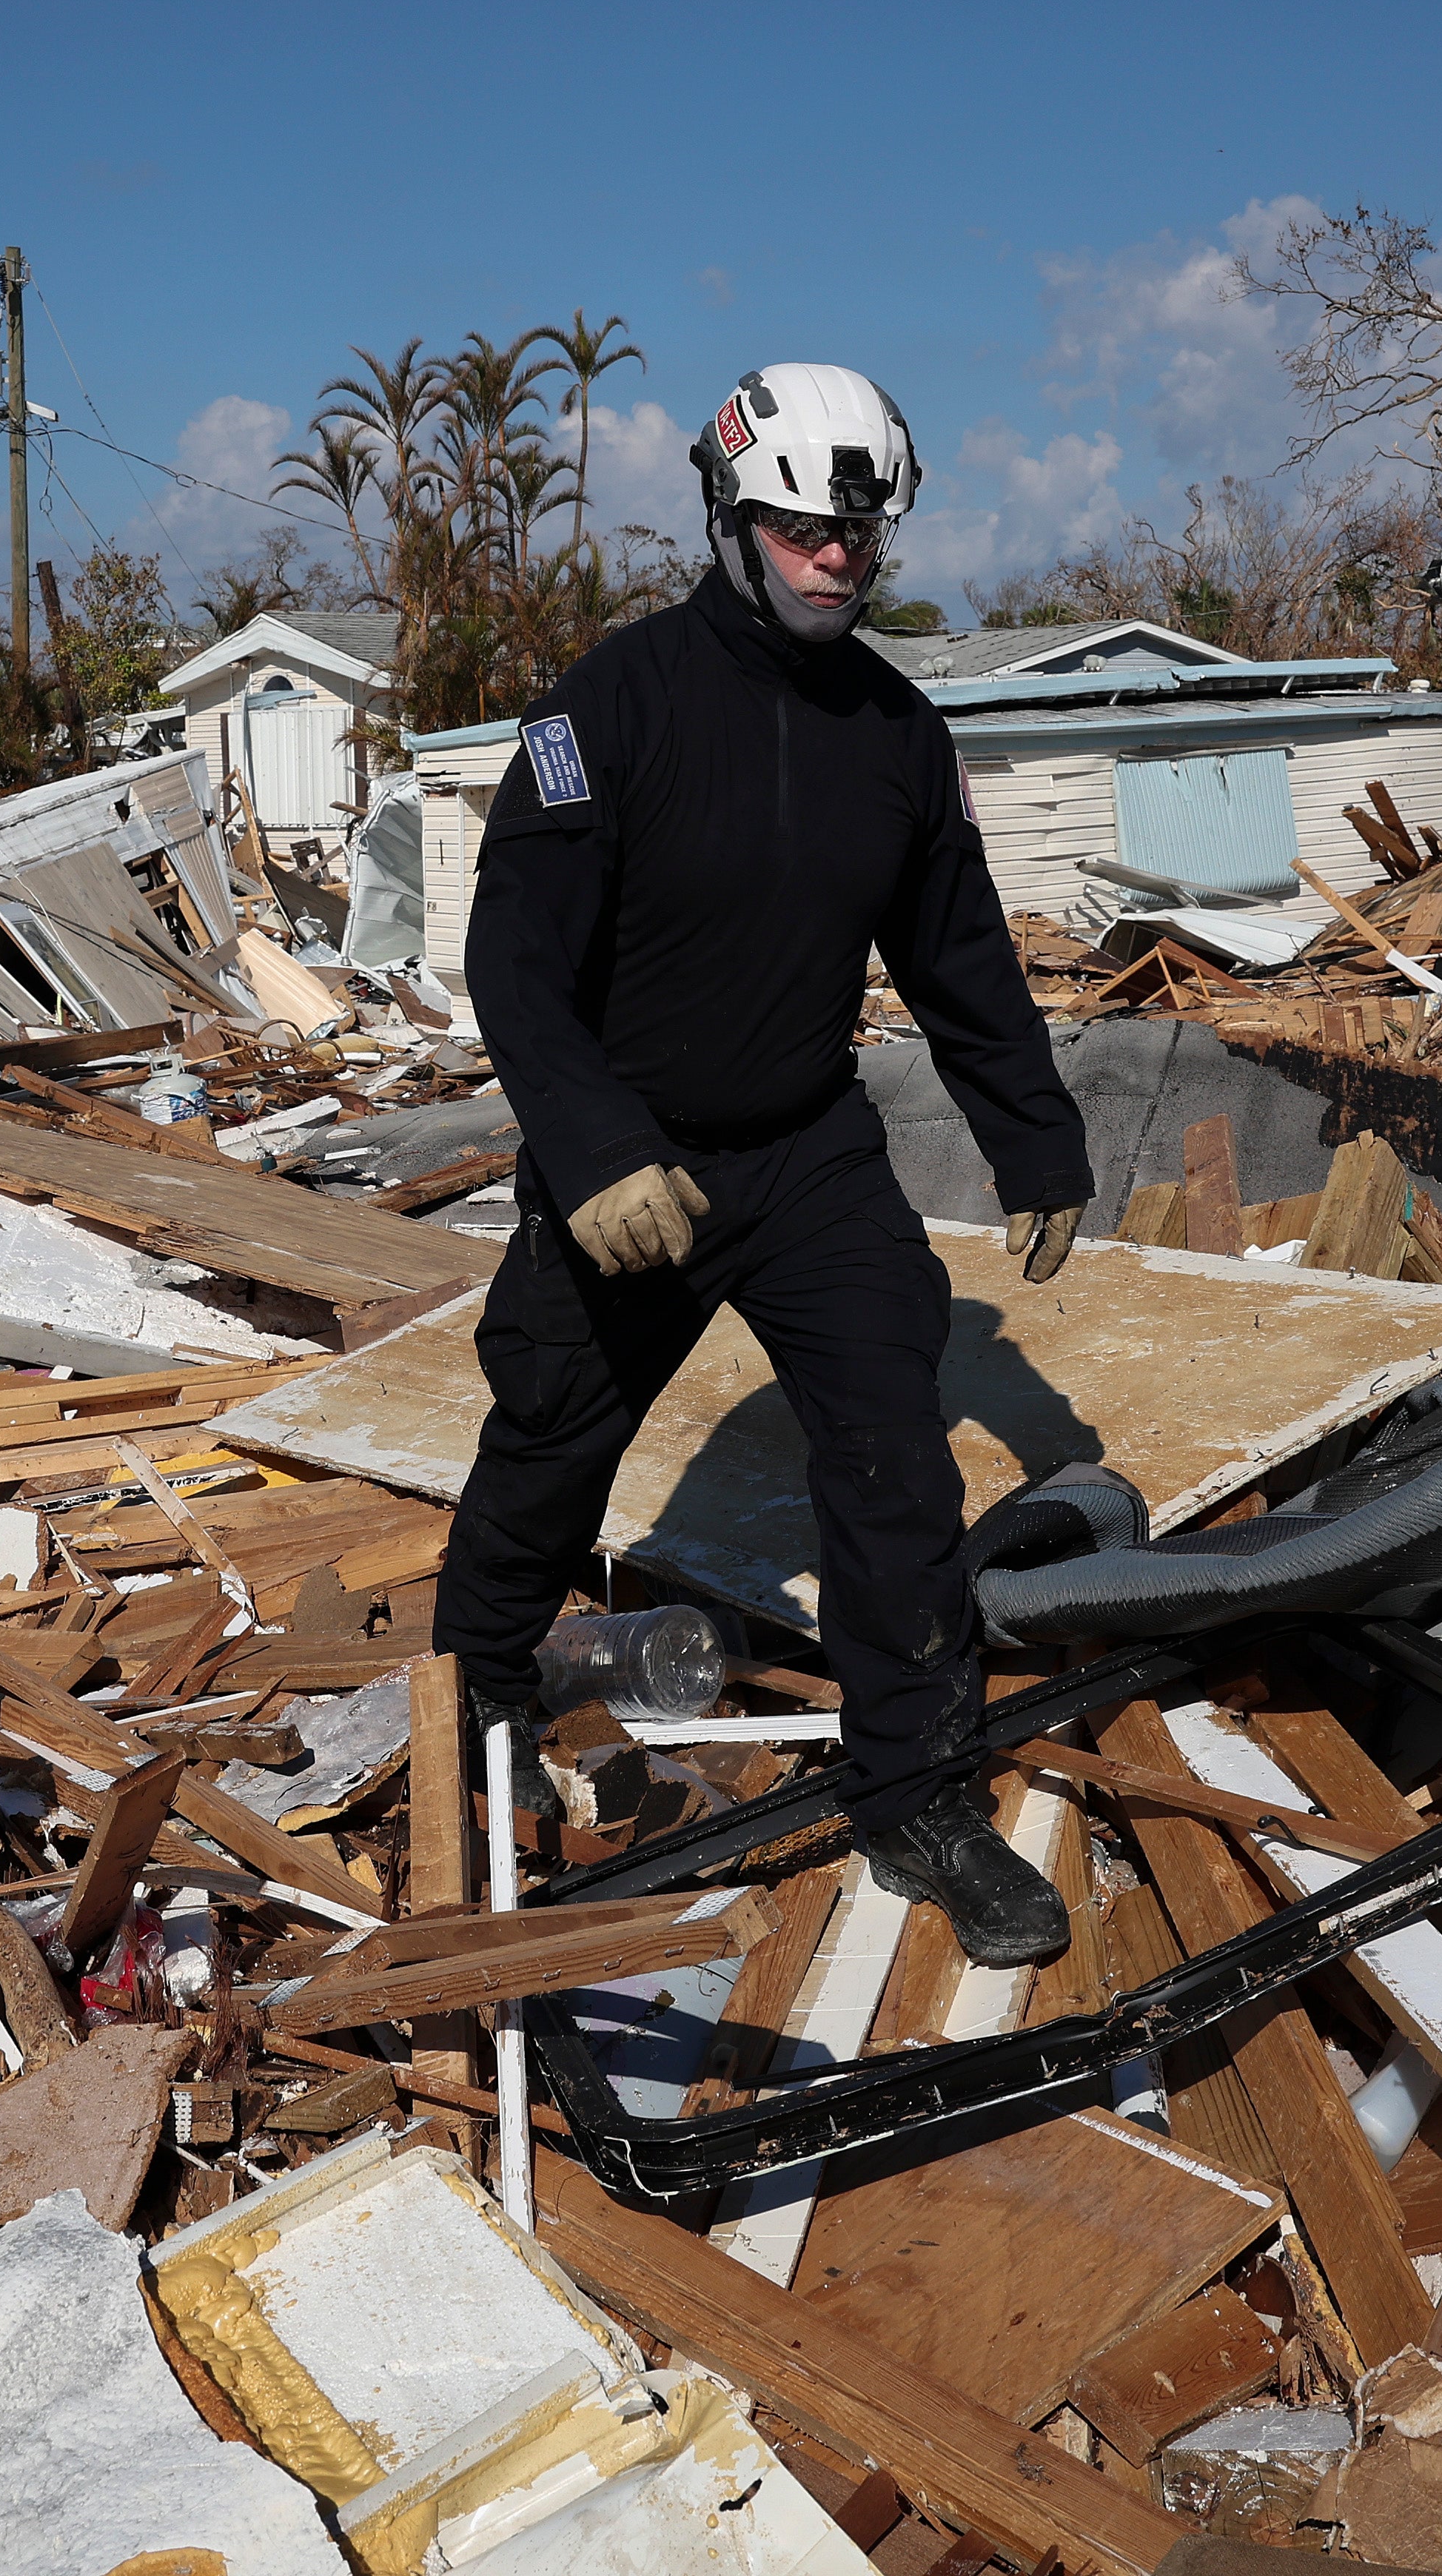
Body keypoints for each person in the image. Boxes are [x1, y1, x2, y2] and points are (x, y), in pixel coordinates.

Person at [435, 363, 1094, 1968]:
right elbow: (514, 953)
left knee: (895, 1459)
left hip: (808, 1154)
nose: (836, 557)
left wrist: (1034, 1134)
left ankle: (919, 1797)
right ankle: (479, 1703)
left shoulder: (895, 732)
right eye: (803, 526)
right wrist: (591, 1148)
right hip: (634, 1166)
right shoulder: (614, 705)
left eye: (858, 533)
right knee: (550, 1439)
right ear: (732, 520)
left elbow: (959, 954)